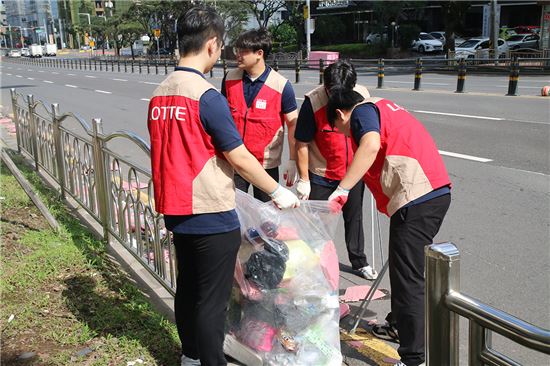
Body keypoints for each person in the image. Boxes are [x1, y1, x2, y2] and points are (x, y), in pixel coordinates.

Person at [147, 6, 299, 366]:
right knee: (212, 300)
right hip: (210, 211)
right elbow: (241, 157)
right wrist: (278, 192)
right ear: (212, 45)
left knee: (188, 288)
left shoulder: (160, 94)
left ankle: (190, 356)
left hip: (176, 208)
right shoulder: (206, 96)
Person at [326, 87, 451, 366]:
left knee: (408, 279)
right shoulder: (382, 106)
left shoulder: (361, 113)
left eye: (340, 130)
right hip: (431, 192)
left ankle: (413, 358)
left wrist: (342, 189)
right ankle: (398, 325)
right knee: (402, 269)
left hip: (418, 197)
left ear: (340, 114)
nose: (347, 136)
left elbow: (370, 145)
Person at [294, 60, 377, 280]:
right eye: (333, 93)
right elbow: (301, 142)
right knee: (316, 223)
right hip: (322, 173)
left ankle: (359, 261)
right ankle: (313, 263)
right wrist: (303, 179)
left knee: (354, 218)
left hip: (351, 173)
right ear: (326, 87)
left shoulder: (361, 95)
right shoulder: (313, 102)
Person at [222, 28, 299, 201]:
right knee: (234, 213)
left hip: (265, 165)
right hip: (236, 161)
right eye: (237, 50)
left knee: (267, 218)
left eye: (243, 51)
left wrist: (293, 160)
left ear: (259, 53)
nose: (238, 55)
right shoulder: (229, 79)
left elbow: (293, 124)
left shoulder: (281, 85)